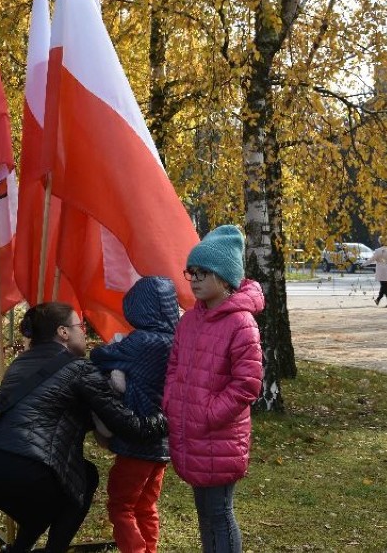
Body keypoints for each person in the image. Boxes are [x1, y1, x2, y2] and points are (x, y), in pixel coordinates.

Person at [0, 302, 168, 553]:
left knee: (50, 494)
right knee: (83, 477)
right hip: (27, 471)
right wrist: (167, 417)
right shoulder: (78, 368)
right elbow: (129, 426)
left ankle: (20, 548)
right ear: (63, 332)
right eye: (80, 326)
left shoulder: (18, 364)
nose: (85, 333)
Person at [163, 225, 264, 553]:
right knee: (205, 512)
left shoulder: (241, 323)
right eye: (191, 272)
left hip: (218, 436)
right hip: (191, 432)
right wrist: (172, 402)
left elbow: (247, 384)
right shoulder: (189, 321)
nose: (193, 279)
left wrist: (208, 413)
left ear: (225, 278)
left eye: (203, 272)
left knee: (219, 511)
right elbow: (175, 367)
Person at [90, 276, 178, 553]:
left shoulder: (142, 341)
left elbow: (101, 356)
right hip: (163, 437)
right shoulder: (177, 339)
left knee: (121, 505)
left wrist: (117, 341)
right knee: (146, 504)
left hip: (137, 434)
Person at [368, 236, 387, 308]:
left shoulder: (378, 250)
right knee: (384, 286)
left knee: (384, 286)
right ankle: (378, 300)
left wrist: (363, 264)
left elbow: (371, 260)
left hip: (381, 270)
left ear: (380, 242)